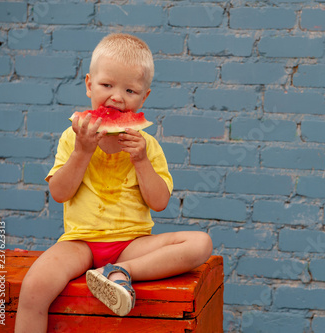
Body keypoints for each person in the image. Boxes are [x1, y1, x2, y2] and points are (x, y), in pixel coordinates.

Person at [14, 33, 213, 332]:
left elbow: (159, 203)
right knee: (33, 288)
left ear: (144, 97)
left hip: (132, 245)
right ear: (89, 84)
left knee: (201, 243)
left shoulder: (148, 146)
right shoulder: (73, 138)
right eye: (107, 85)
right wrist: (82, 152)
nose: (117, 97)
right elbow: (59, 193)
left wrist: (142, 161)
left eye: (130, 90)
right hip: (80, 243)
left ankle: (120, 272)